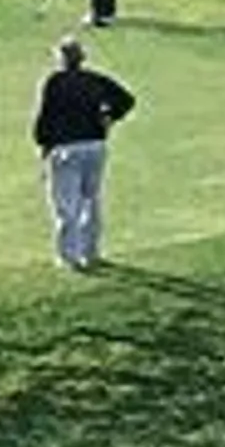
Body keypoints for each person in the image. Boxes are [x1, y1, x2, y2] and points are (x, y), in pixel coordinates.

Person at [30, 35, 135, 272]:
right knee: (91, 199)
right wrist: (109, 116)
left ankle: (69, 257)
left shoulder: (55, 82)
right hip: (95, 146)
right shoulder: (94, 79)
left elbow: (45, 117)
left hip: (66, 149)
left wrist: (43, 144)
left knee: (66, 204)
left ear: (62, 59)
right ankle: (90, 252)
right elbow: (126, 100)